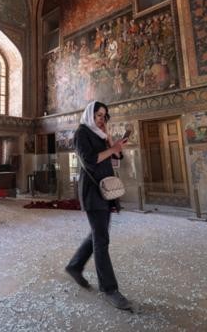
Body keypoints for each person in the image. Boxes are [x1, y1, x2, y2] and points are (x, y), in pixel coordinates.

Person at [65, 100, 131, 310]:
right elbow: (91, 160)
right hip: (93, 191)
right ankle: (110, 289)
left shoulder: (100, 134)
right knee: (101, 239)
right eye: (98, 115)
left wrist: (111, 141)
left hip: (106, 190)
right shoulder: (81, 133)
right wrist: (112, 149)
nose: (101, 119)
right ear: (89, 114)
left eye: (104, 116)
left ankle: (75, 266)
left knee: (98, 233)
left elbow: (117, 156)